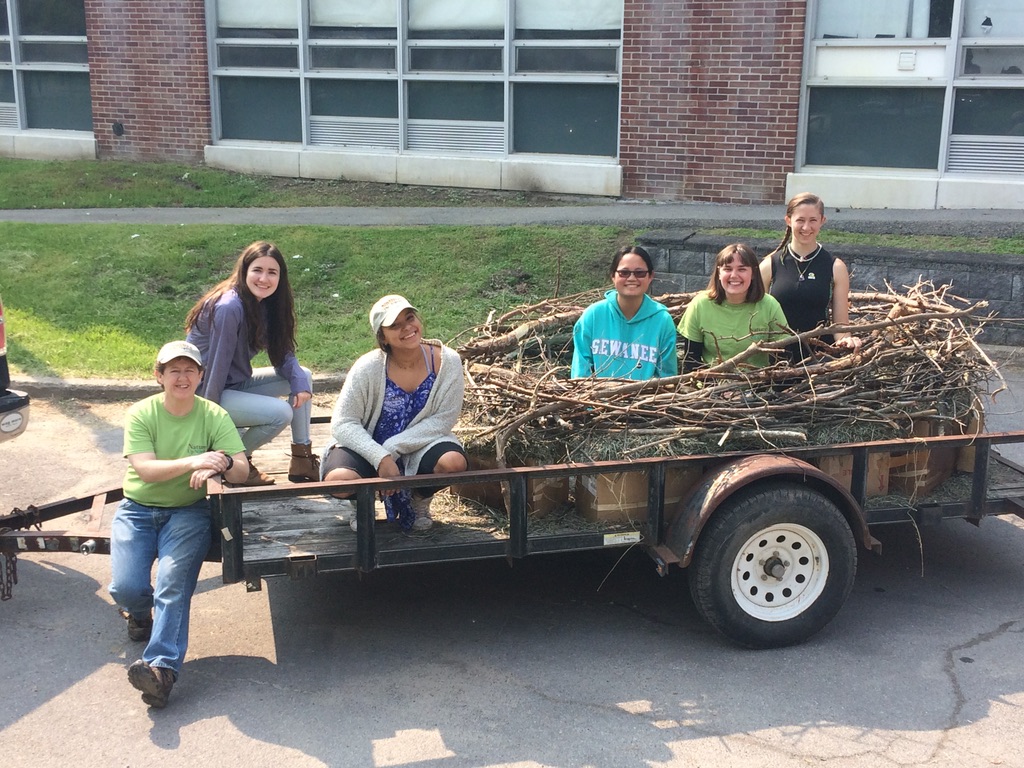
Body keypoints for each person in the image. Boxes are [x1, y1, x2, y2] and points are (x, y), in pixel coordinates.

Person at [108, 340, 249, 709]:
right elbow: (145, 470)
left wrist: (220, 464)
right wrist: (194, 461)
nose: (182, 377)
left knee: (172, 585)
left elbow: (242, 469)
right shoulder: (141, 413)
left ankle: (161, 671)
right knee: (125, 587)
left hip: (188, 513)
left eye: (190, 370)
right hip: (137, 509)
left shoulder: (213, 415)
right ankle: (139, 614)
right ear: (159, 376)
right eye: (174, 370)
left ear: (201, 376)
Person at [321, 295, 467, 531]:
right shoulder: (367, 366)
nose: (407, 328)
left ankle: (419, 498)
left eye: (409, 318)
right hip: (367, 445)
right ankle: (362, 502)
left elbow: (444, 418)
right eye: (395, 325)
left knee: (453, 463)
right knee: (338, 481)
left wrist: (393, 448)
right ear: (382, 336)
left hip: (421, 443)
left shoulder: (448, 361)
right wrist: (380, 457)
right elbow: (342, 422)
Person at [185, 240, 318, 486]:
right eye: (257, 270)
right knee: (280, 413)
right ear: (244, 270)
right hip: (205, 393)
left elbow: (282, 352)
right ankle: (233, 462)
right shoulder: (229, 307)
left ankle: (302, 458)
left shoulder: (265, 304)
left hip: (233, 383)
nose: (264, 279)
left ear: (281, 277)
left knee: (304, 376)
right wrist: (207, 422)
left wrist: (298, 382)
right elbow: (215, 367)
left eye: (272, 272)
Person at [759, 192, 860, 360]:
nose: (806, 227)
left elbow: (840, 324)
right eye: (800, 220)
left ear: (822, 221)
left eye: (813, 220)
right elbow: (754, 317)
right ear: (788, 221)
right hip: (777, 358)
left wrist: (846, 340)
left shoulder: (835, 267)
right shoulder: (769, 265)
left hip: (819, 357)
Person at [570, 245, 679, 380]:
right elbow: (580, 372)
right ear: (613, 276)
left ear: (651, 276)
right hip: (595, 399)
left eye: (640, 273)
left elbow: (667, 377)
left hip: (647, 399)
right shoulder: (593, 315)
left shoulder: (662, 320)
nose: (632, 278)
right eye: (624, 273)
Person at [679, 243, 790, 372]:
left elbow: (782, 357)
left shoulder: (770, 306)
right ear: (719, 273)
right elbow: (690, 360)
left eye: (742, 269)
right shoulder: (700, 305)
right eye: (728, 269)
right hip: (709, 386)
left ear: (753, 273)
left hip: (758, 386)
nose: (734, 275)